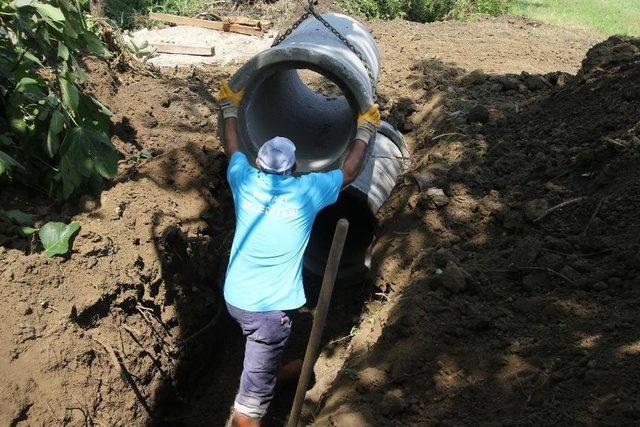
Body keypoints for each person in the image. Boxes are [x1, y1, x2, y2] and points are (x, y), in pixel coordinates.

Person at [217, 80, 380, 427]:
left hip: (236, 298)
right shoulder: (307, 190)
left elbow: (232, 149)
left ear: (259, 162)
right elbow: (350, 171)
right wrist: (365, 129)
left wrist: (230, 109)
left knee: (263, 349)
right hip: (267, 313)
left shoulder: (243, 179)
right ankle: (253, 401)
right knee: (249, 407)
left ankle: (272, 373)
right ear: (294, 169)